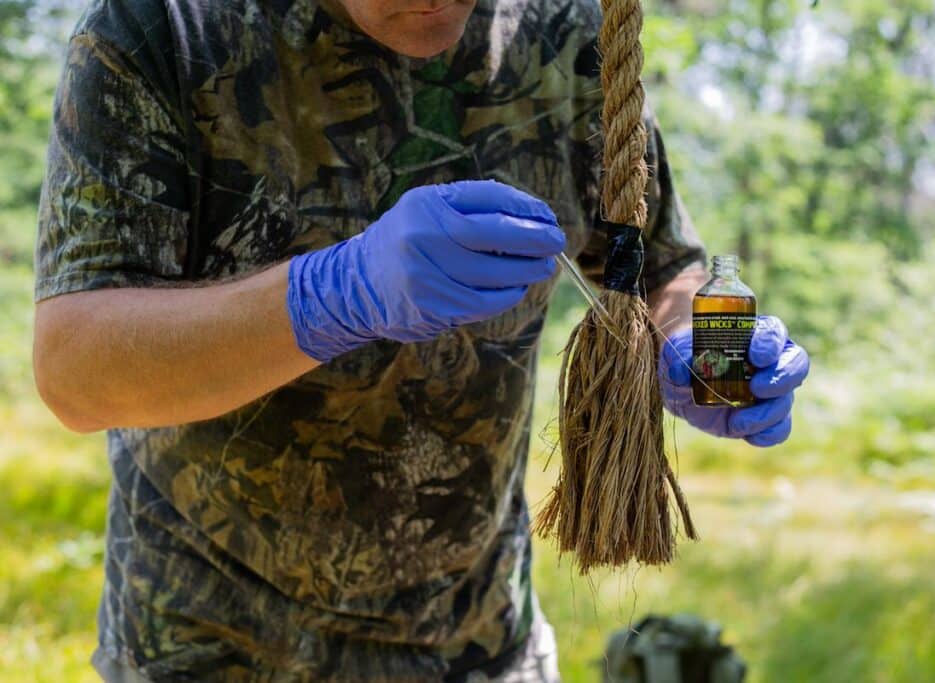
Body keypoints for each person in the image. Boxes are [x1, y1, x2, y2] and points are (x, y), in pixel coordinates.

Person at [31, 0, 809, 680]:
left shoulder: (565, 40)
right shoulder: (165, 30)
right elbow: (76, 369)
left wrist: (695, 345)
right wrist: (328, 295)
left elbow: (660, 268)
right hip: (211, 649)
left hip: (480, 647)